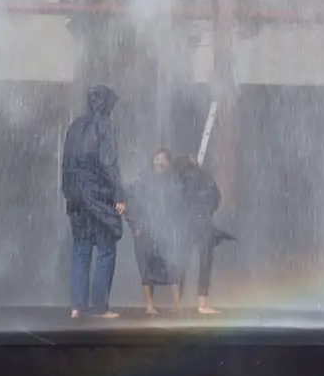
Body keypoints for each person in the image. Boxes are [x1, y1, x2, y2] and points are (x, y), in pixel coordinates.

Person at [61, 85, 126, 319]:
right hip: (99, 196)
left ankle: (77, 306)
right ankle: (100, 307)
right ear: (107, 103)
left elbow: (66, 163)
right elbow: (109, 162)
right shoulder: (105, 125)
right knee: (106, 249)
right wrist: (118, 193)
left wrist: (69, 193)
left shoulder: (75, 126)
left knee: (81, 249)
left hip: (77, 197)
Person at [125, 149, 188, 315]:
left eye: (163, 159)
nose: (160, 162)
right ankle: (149, 306)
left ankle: (177, 304)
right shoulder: (143, 182)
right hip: (146, 230)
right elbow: (131, 204)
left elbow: (182, 206)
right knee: (146, 267)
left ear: (169, 162)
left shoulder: (175, 182)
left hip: (168, 230)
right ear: (152, 162)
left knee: (173, 265)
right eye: (157, 159)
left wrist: (179, 227)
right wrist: (135, 226)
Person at [174, 155, 234, 315]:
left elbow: (214, 199)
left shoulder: (181, 179)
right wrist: (206, 212)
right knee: (203, 264)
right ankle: (200, 304)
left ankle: (178, 302)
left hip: (189, 225)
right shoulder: (204, 178)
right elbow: (216, 199)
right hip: (201, 224)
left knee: (184, 264)